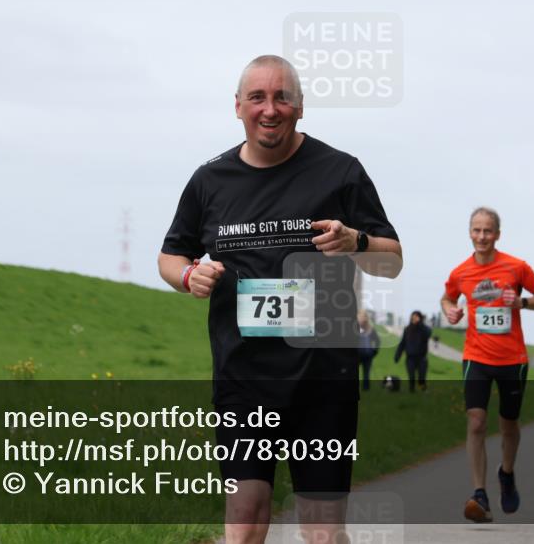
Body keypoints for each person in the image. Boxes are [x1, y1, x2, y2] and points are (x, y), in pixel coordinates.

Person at [158, 55, 403, 544]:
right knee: (245, 517)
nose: (270, 109)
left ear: (300, 106)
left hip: (323, 378)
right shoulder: (210, 180)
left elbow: (392, 260)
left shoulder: (340, 171)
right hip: (244, 378)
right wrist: (188, 276)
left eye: (282, 97)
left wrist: (355, 241)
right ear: (238, 107)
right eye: (257, 98)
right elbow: (170, 256)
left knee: (322, 530)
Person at [440, 207, 534, 523]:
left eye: (487, 230)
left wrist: (523, 302)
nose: (482, 236)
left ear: (497, 234)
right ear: (470, 233)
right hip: (476, 357)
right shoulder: (461, 272)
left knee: (508, 425)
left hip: (512, 360)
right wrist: (450, 311)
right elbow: (447, 297)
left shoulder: (516, 267)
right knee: (476, 421)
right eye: (476, 230)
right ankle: (480, 494)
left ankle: (507, 473)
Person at [394, 310, 432, 392]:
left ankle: (423, 390)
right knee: (411, 377)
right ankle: (412, 391)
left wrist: (420, 324)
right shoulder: (407, 329)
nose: (414, 319)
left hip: (422, 358)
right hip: (410, 358)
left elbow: (428, 334)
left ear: (420, 318)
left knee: (421, 377)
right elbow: (403, 343)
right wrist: (397, 355)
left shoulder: (424, 329)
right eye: (413, 317)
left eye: (416, 317)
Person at [357, 311, 380, 391]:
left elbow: (377, 341)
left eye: (362, 316)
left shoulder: (370, 329)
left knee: (366, 373)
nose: (361, 318)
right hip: (356, 354)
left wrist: (374, 351)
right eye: (359, 316)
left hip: (367, 354)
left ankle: (366, 389)